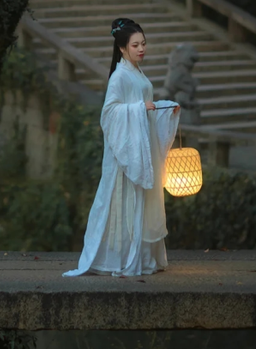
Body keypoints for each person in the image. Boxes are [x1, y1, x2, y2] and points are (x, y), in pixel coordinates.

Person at [63, 18, 181, 278]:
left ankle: (144, 258)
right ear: (122, 48)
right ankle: (120, 258)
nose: (141, 49)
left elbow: (145, 104)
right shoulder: (119, 76)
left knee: (141, 200)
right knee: (123, 201)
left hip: (141, 147)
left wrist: (164, 107)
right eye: (135, 45)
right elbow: (109, 113)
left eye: (143, 43)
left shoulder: (137, 72)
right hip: (125, 152)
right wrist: (140, 109)